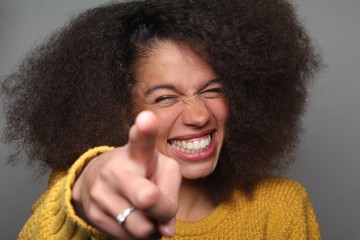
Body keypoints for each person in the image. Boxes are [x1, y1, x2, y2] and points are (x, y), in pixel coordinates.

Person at [1, 0, 322, 239]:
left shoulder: (281, 207)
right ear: (120, 108)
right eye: (165, 97)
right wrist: (83, 198)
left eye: (213, 90)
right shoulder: (79, 196)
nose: (199, 116)